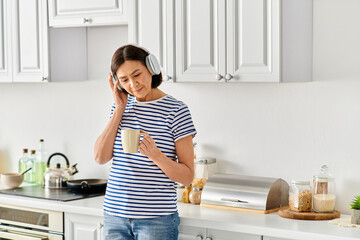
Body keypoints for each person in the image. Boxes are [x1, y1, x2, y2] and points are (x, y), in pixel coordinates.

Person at [94, 44, 197, 240]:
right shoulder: (120, 109)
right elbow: (100, 157)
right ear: (117, 83)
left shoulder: (176, 111)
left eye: (137, 75)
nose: (133, 85)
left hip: (156, 219)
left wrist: (156, 155)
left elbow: (187, 177)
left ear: (152, 68)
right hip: (114, 215)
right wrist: (119, 109)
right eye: (124, 80)